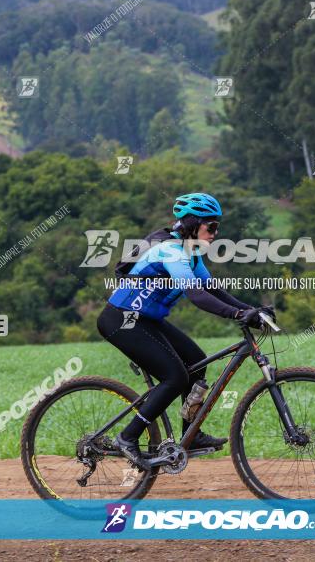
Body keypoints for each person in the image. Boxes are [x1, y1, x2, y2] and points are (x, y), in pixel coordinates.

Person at [97, 193, 265, 470]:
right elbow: (197, 296)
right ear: (192, 225)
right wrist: (237, 314)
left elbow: (213, 290)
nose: (215, 233)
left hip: (147, 319)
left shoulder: (191, 254)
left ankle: (191, 435)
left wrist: (252, 310)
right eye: (211, 227)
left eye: (216, 227)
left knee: (197, 364)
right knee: (175, 377)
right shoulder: (171, 251)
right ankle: (127, 438)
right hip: (121, 320)